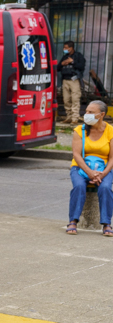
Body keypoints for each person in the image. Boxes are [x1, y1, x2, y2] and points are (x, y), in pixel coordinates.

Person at [67, 101, 113, 236]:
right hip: (80, 167)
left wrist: (102, 174)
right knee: (79, 186)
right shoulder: (79, 130)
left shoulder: (110, 131)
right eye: (86, 111)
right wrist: (90, 172)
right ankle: (73, 221)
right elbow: (76, 155)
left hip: (103, 169)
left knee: (105, 188)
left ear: (102, 114)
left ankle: (106, 223)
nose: (86, 115)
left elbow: (112, 158)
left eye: (91, 112)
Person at [60, 41, 87, 125]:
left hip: (74, 80)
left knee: (75, 99)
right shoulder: (64, 57)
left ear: (71, 48)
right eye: (64, 48)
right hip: (65, 80)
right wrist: (62, 64)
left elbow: (81, 66)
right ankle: (69, 117)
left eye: (66, 48)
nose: (64, 49)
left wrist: (72, 62)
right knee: (66, 99)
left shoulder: (78, 56)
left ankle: (75, 118)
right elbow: (57, 67)